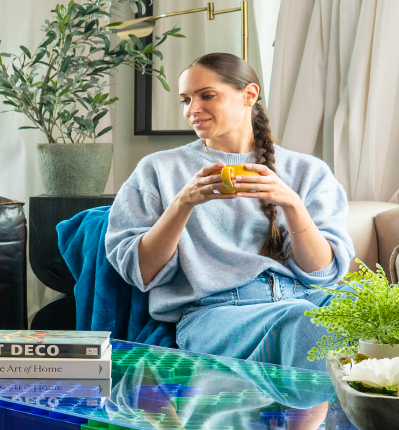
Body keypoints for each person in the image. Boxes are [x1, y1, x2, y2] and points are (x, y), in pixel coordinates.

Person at [105, 52, 355, 371]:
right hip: (214, 313)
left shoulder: (309, 171)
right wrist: (183, 203)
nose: (193, 110)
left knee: (389, 314)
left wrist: (291, 204)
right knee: (303, 323)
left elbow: (322, 274)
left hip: (302, 297)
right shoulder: (158, 170)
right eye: (185, 100)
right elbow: (140, 271)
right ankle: (305, 423)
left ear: (249, 95)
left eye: (207, 96)